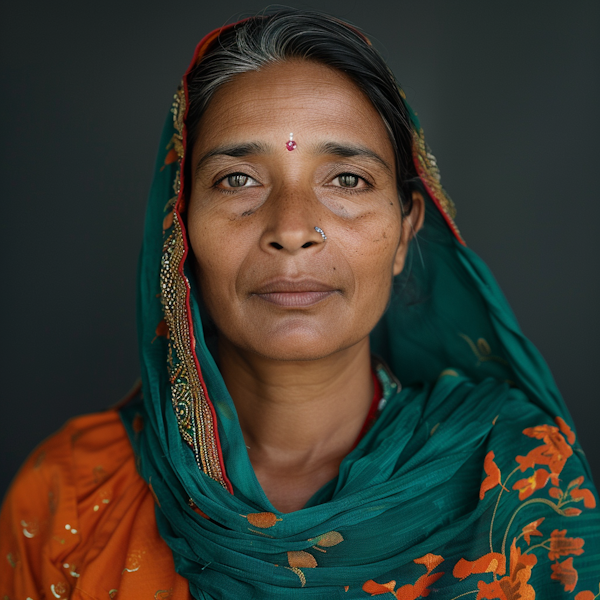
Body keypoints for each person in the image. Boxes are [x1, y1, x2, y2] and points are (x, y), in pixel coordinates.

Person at [1, 8, 598, 599]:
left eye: (347, 180)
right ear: (178, 229)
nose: (292, 228)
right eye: (238, 179)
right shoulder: (76, 495)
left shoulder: (516, 474)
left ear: (406, 230)